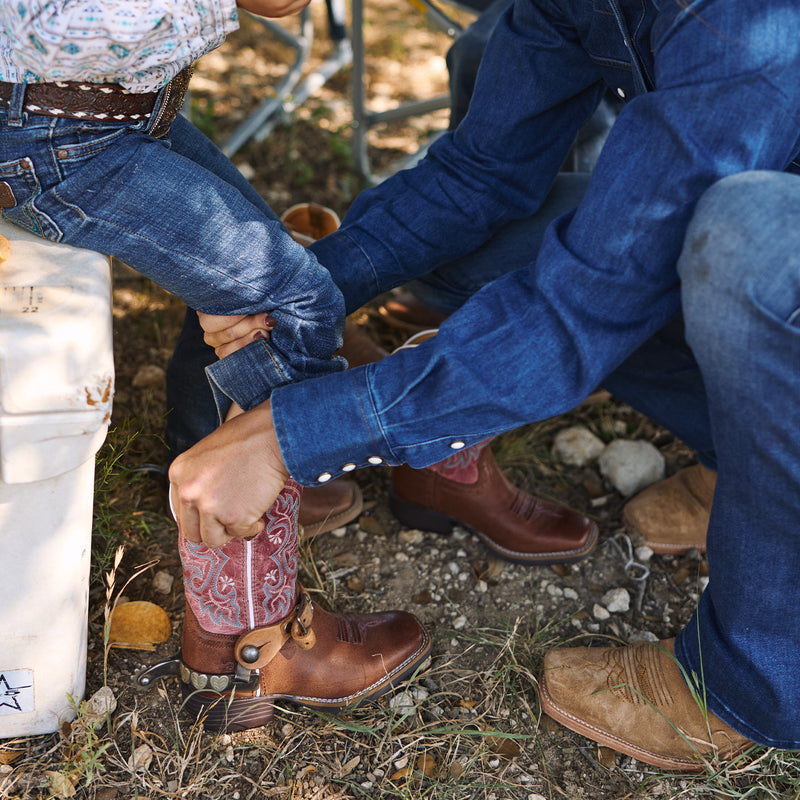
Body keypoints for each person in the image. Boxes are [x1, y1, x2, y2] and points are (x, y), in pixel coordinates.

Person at [169, 0, 800, 771]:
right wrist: (299, 295)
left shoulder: (751, 22)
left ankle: (748, 685)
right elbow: (481, 171)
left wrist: (292, 434)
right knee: (487, 251)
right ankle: (735, 448)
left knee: (743, 245)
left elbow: (588, 306)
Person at [0, 0, 432, 733]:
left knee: (262, 281)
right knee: (294, 307)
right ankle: (249, 649)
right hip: (56, 136)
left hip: (106, 120)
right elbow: (43, 27)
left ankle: (219, 474)